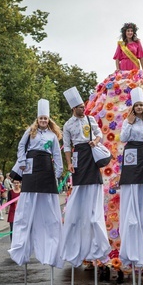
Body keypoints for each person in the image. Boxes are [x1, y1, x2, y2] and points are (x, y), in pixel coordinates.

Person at [8, 99, 64, 269]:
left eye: (45, 119)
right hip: (31, 167)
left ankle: (51, 250)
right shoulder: (30, 132)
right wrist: (22, 161)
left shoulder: (52, 136)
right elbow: (21, 146)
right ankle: (21, 247)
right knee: (27, 206)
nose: (43, 121)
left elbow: (56, 154)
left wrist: (59, 171)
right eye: (41, 118)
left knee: (48, 207)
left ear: (49, 120)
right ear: (37, 119)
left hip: (46, 167)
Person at [61, 87, 111, 271]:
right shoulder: (68, 125)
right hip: (78, 155)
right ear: (74, 108)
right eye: (80, 107)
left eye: (84, 106)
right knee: (79, 187)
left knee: (94, 184)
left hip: (91, 153)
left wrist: (96, 142)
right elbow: (67, 146)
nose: (83, 109)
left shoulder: (90, 119)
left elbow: (100, 134)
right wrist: (69, 164)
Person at [118, 87, 143, 280]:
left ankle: (141, 251)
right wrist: (129, 122)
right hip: (131, 154)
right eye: (137, 105)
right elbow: (123, 138)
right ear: (133, 107)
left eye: (142, 104)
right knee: (130, 189)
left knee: (141, 190)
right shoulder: (128, 121)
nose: (140, 107)